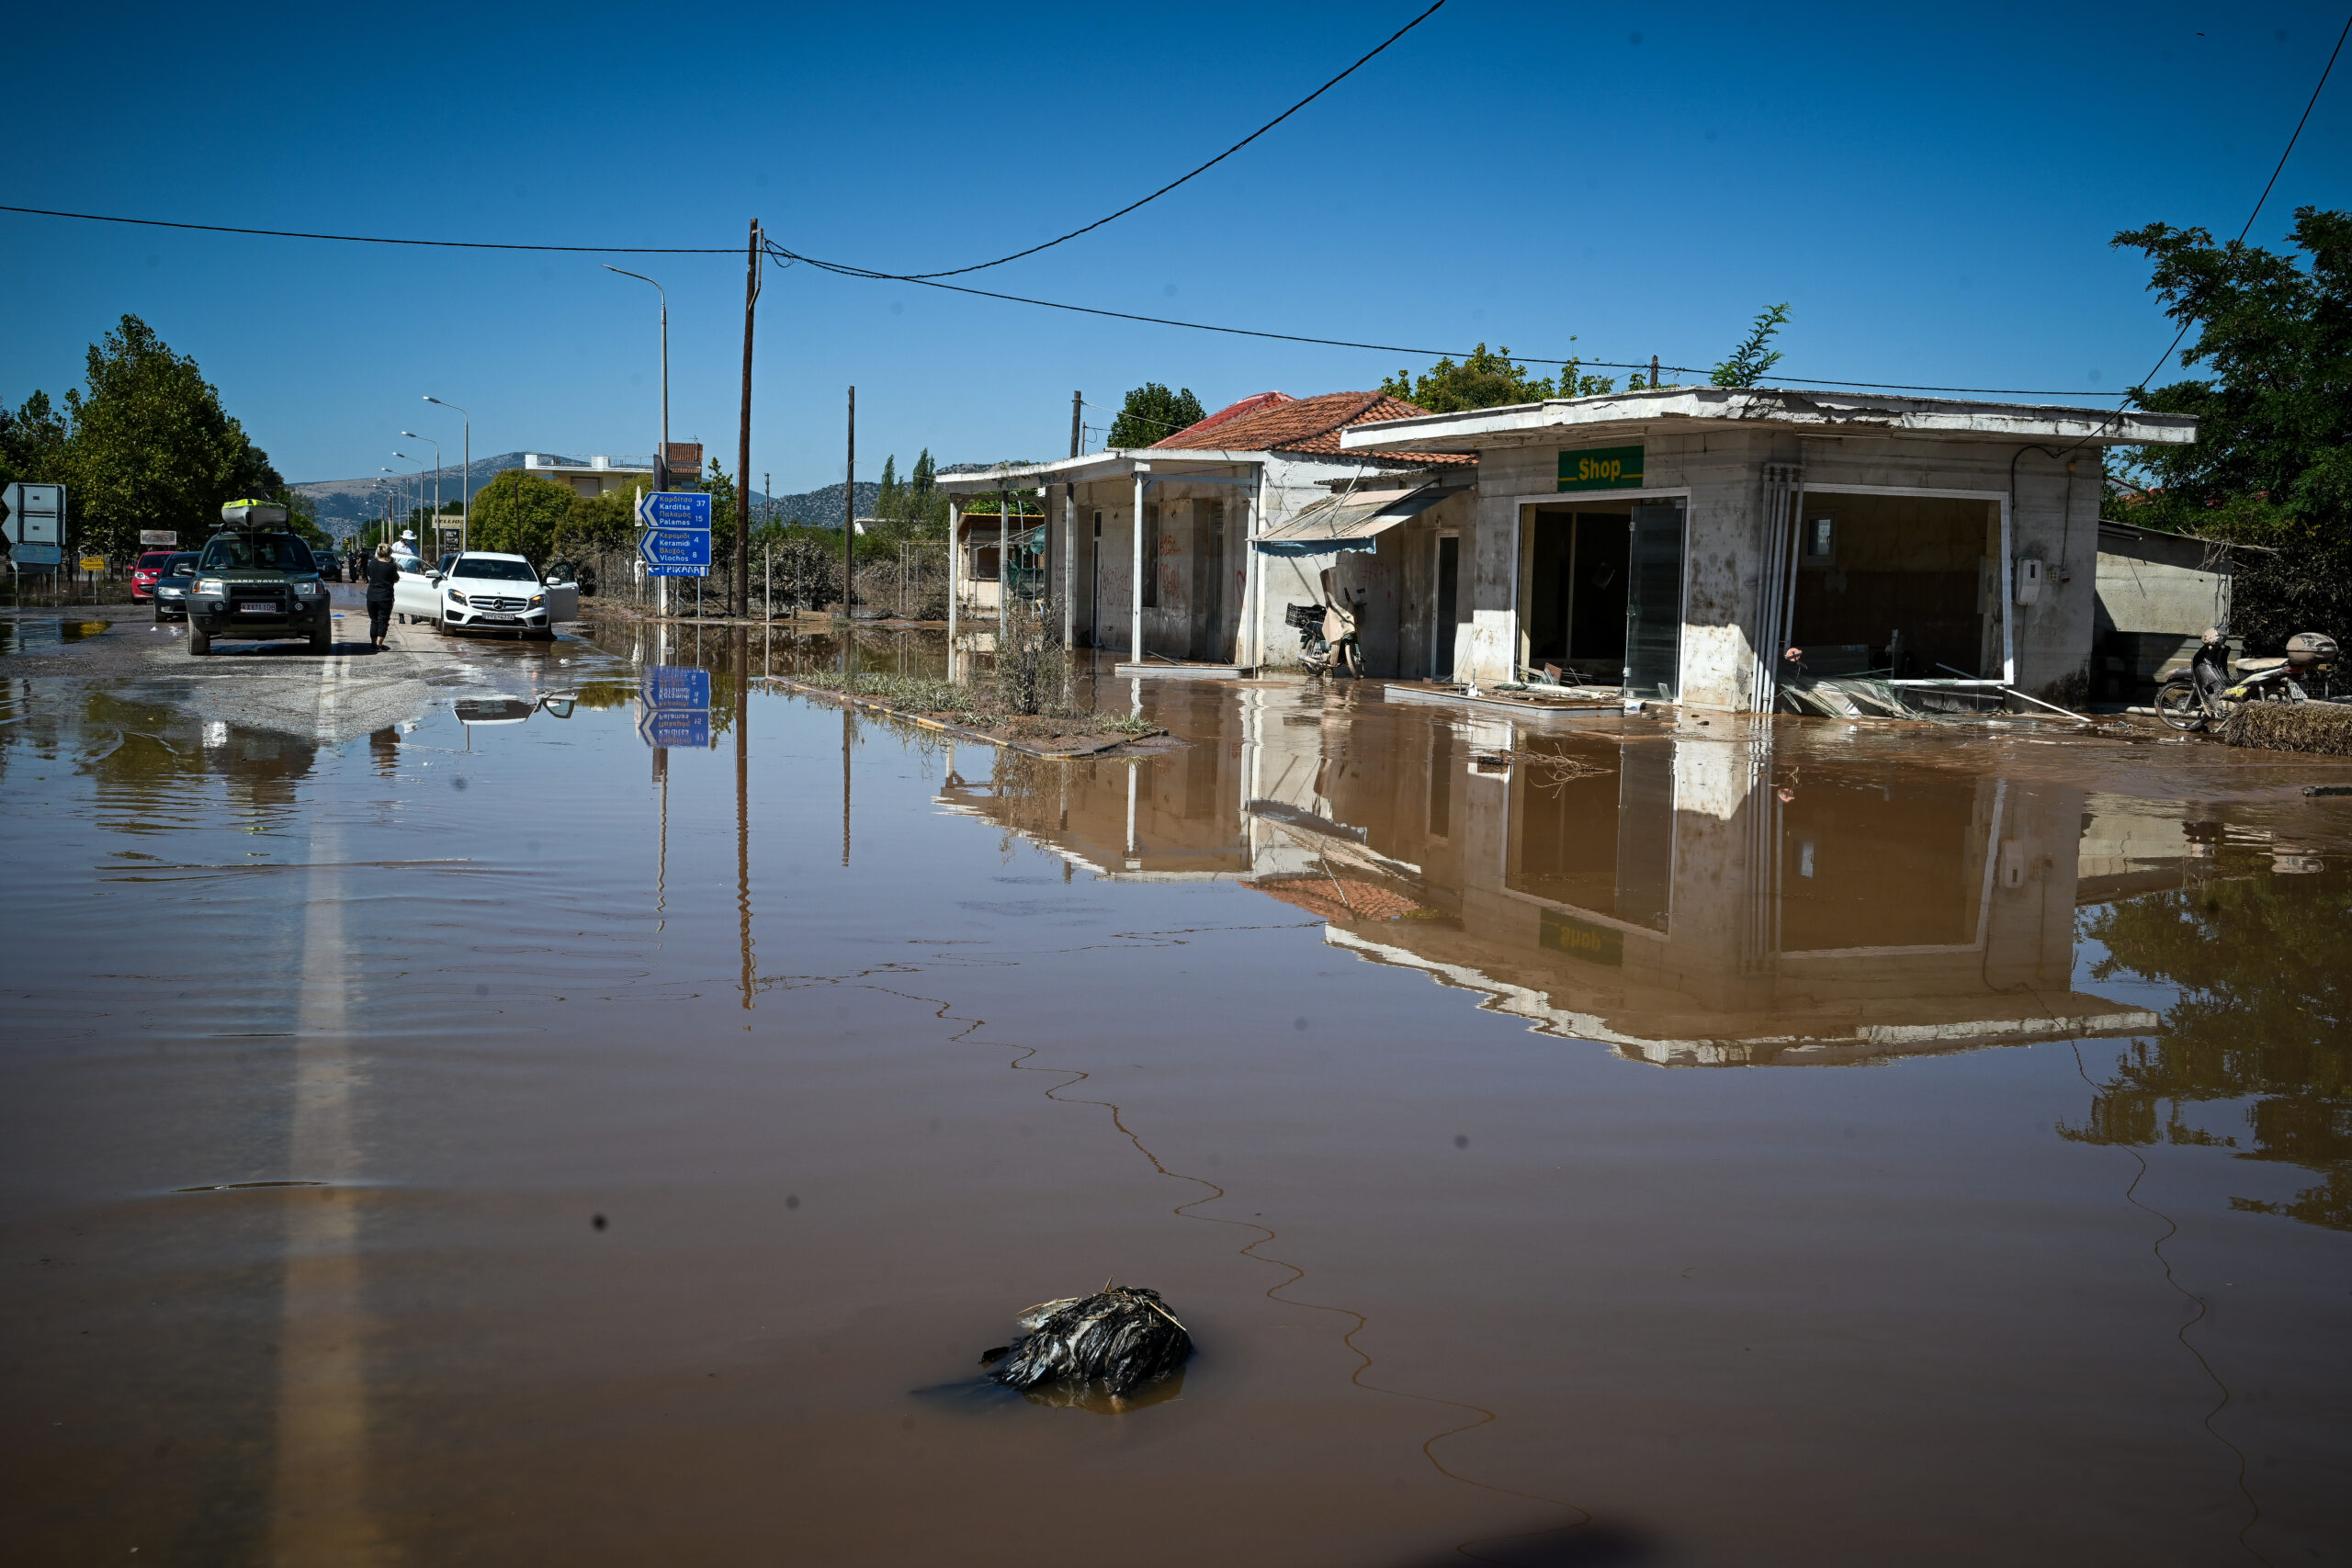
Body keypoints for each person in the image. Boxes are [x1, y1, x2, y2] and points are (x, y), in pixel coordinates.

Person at [364, 543, 400, 649]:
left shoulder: (372, 564)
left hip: (371, 596)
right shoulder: (392, 566)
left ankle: (373, 642)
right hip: (385, 597)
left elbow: (369, 574)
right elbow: (396, 579)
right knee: (383, 620)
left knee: (374, 620)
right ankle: (379, 644)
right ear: (389, 553)